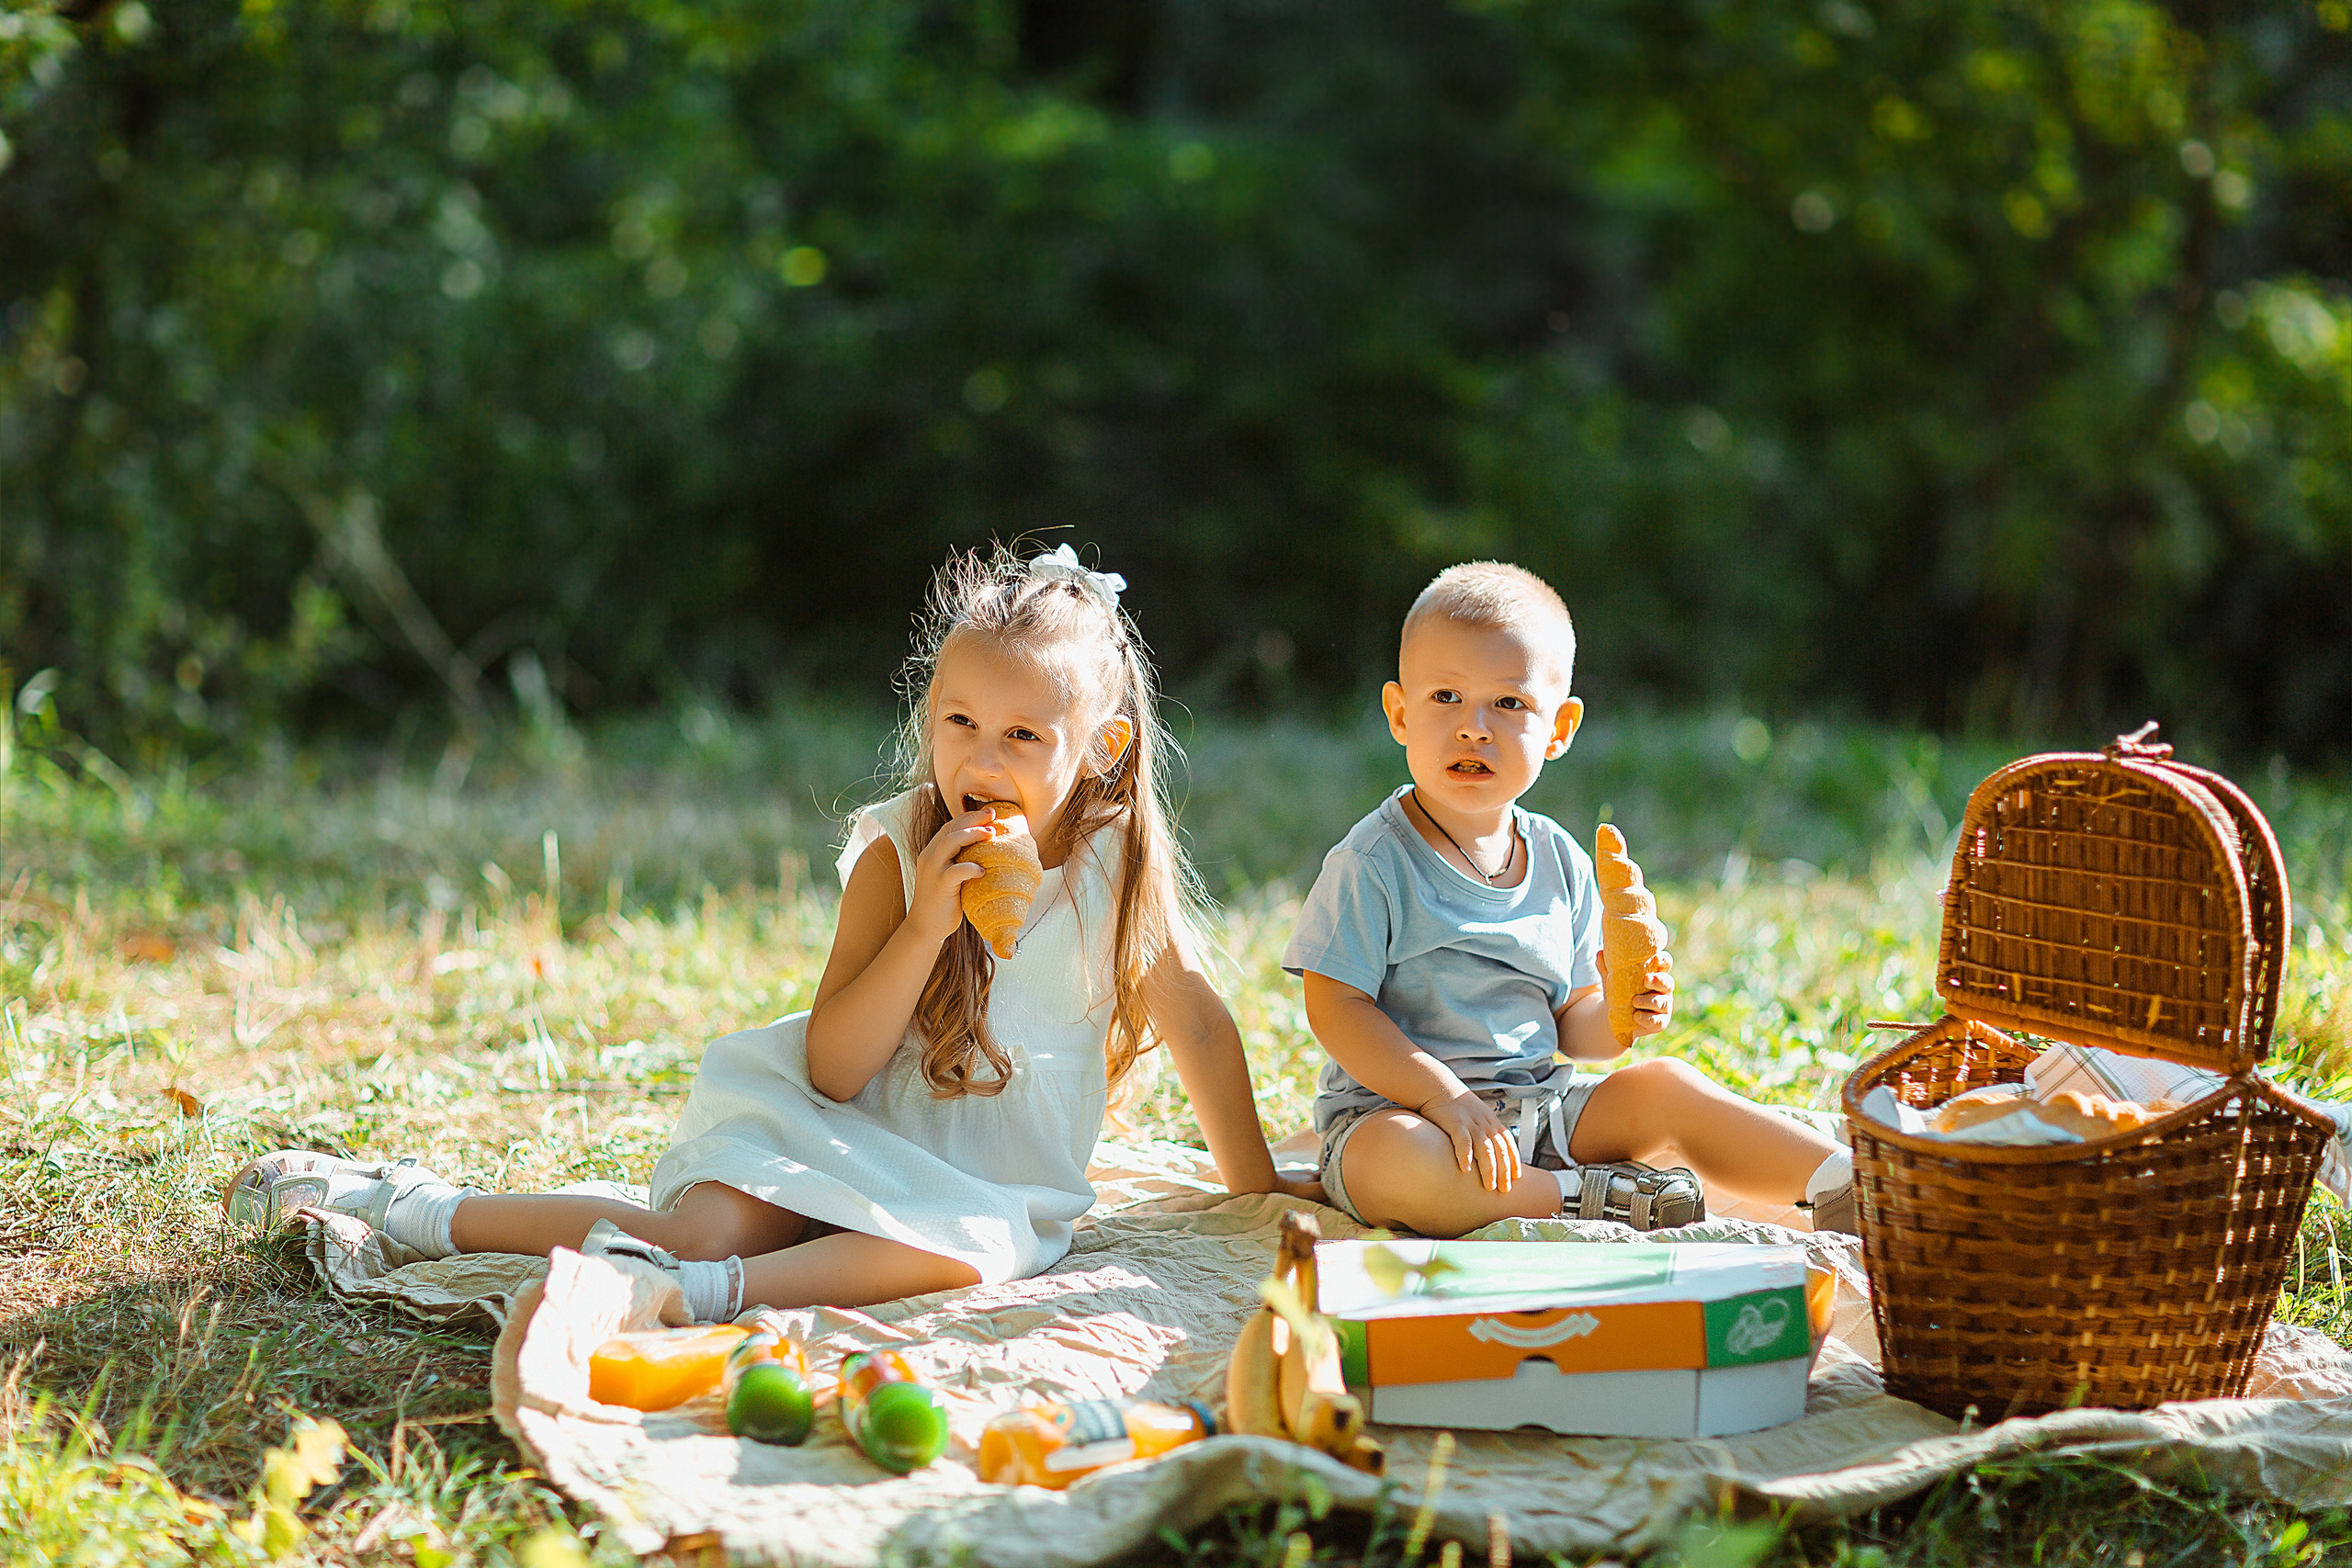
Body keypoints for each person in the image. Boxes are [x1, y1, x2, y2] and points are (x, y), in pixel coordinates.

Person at [227, 544, 1321, 1317]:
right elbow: (837, 1068)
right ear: (927, 713)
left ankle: (709, 1299)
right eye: (958, 723)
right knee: (701, 1223)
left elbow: (1197, 1023)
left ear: (1102, 746)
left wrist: (1253, 1181)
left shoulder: (1116, 865)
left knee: (970, 1257)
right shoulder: (900, 852)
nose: (980, 762)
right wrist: (928, 925)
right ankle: (410, 1206)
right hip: (839, 1125)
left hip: (986, 1184)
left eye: (1023, 735)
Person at [1288, 560, 1854, 1239]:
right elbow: (1334, 1006)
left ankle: (1849, 1183)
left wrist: (1621, 1012)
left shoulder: (1559, 857)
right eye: (1445, 697)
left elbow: (1571, 1025)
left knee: (1667, 1084)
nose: (1474, 727)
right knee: (1396, 1163)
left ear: (1559, 729)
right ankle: (1575, 1196)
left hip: (1540, 1109)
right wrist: (1445, 1097)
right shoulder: (1373, 862)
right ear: (1400, 714)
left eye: (1508, 703)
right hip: (1403, 1115)